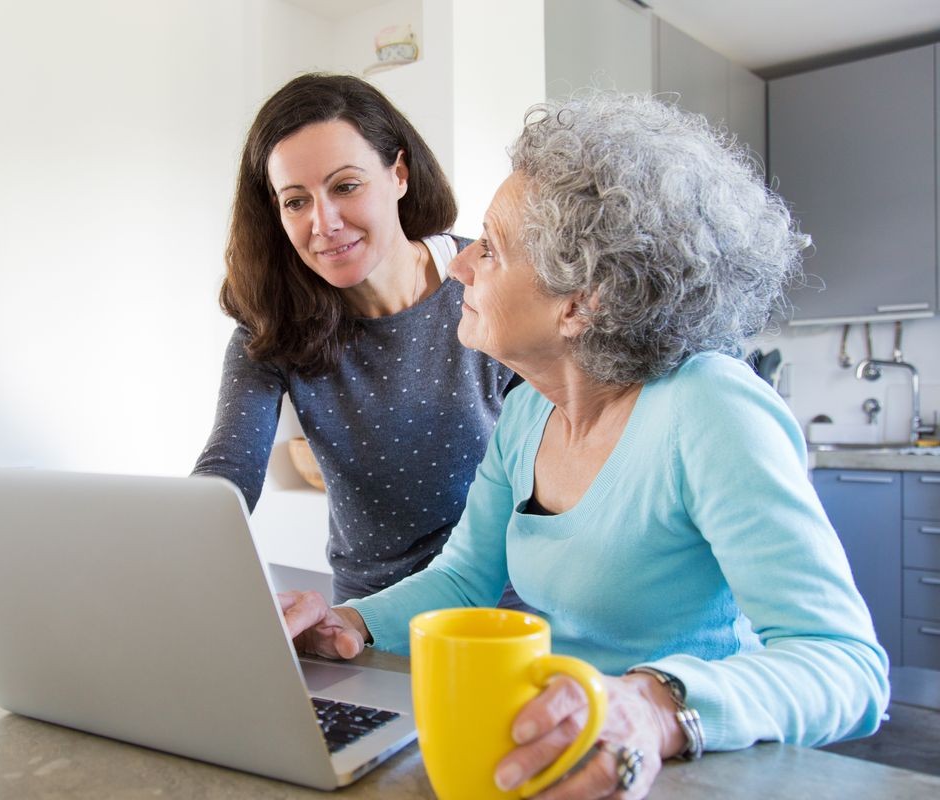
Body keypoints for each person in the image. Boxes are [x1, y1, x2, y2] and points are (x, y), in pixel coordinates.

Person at [280, 91, 890, 798]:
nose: (460, 266)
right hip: (554, 747)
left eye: (493, 248)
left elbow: (844, 664)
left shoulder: (711, 408)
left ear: (581, 302)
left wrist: (654, 709)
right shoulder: (526, 416)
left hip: (690, 763)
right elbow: (460, 581)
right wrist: (347, 621)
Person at [192, 73, 522, 605]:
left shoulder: (484, 281)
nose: (324, 223)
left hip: (502, 608)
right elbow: (229, 469)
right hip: (365, 618)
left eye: (345, 186)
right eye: (295, 201)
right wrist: (174, 546)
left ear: (399, 174)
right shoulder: (272, 324)